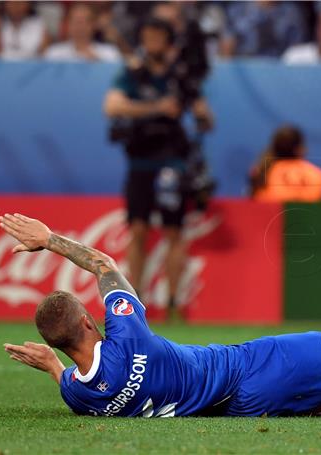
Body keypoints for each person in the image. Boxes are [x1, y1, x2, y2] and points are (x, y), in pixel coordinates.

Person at [0, 213, 321, 420]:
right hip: (249, 367)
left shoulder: (81, 395)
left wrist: (51, 365)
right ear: (91, 322)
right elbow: (103, 263)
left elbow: (68, 375)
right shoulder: (127, 336)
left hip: (245, 407)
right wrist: (50, 242)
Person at [102, 18, 213, 318]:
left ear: (168, 43)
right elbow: (112, 106)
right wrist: (157, 108)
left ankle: (174, 303)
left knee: (173, 232)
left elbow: (205, 115)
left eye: (157, 37)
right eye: (147, 37)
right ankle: (135, 301)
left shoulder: (181, 78)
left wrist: (202, 115)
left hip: (173, 163)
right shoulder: (132, 75)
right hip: (139, 161)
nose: (151, 43)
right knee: (138, 229)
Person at [249, 125, 321, 203]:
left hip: (268, 215)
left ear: (274, 147)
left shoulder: (260, 172)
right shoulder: (318, 174)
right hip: (309, 215)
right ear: (300, 148)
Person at [219, 1, 308, 58]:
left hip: (280, 74)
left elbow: (297, 54)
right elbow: (225, 54)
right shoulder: (236, 11)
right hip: (244, 75)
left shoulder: (292, 12)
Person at [44, 3, 121, 62]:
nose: (80, 27)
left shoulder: (109, 53)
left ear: (93, 24)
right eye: (76, 22)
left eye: (84, 22)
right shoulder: (54, 54)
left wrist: (98, 63)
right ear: (68, 24)